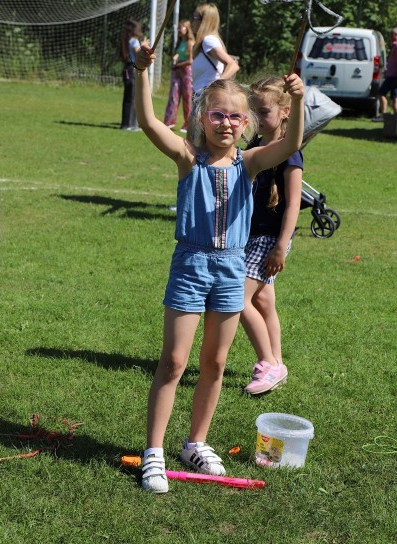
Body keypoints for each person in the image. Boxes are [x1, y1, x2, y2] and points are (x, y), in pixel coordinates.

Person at [134, 44, 304, 493]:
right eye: (217, 115)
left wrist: (299, 99)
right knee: (174, 361)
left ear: (246, 124)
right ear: (202, 118)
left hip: (231, 268)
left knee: (215, 362)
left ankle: (196, 443)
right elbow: (149, 122)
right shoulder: (188, 158)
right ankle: (154, 452)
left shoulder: (251, 163)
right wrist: (141, 73)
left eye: (235, 117)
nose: (226, 123)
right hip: (190, 265)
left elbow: (291, 144)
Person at [241, 77, 303, 395]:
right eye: (253, 111)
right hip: (251, 235)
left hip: (269, 239)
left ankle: (268, 363)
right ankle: (277, 363)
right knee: (263, 301)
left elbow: (294, 204)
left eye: (263, 111)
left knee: (236, 298)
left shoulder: (289, 154)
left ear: (284, 112)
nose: (257, 117)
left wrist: (281, 246)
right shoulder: (254, 145)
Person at [190, 3, 239, 96]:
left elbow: (233, 65)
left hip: (206, 97)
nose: (191, 21)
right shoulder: (205, 42)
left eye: (194, 18)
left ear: (203, 21)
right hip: (199, 96)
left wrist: (216, 86)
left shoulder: (208, 41)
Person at [164, 20, 195, 133]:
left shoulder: (191, 42)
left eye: (182, 27)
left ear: (187, 29)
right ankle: (169, 122)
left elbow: (190, 60)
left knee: (187, 97)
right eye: (179, 28)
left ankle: (188, 124)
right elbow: (179, 54)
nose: (179, 30)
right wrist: (175, 58)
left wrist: (178, 64)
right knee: (174, 95)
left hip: (186, 71)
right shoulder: (180, 42)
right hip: (177, 70)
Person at [119, 18, 143, 131]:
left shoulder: (127, 40)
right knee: (133, 98)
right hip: (132, 70)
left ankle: (125, 124)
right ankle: (132, 124)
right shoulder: (134, 41)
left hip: (126, 69)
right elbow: (139, 54)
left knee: (127, 98)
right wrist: (144, 46)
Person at [373, 27, 397, 122]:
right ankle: (393, 118)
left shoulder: (395, 46)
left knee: (381, 93)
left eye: (391, 34)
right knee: (394, 97)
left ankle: (384, 115)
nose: (390, 36)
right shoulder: (394, 46)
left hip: (393, 76)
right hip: (392, 75)